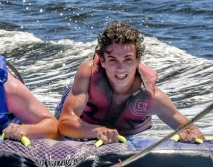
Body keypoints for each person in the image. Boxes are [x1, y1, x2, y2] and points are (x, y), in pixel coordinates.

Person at [57, 21, 204, 144]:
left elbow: (193, 131)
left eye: (127, 59)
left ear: (137, 61)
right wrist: (96, 131)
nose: (120, 68)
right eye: (113, 60)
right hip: (78, 126)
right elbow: (64, 123)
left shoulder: (153, 98)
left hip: (116, 135)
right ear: (102, 61)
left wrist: (190, 135)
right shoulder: (87, 76)